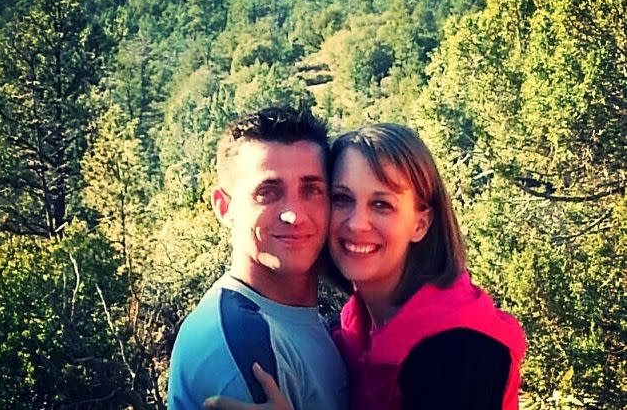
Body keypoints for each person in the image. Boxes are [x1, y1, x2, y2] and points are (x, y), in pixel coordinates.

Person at [206, 122, 526, 410]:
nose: (357, 223)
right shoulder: (355, 330)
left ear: (421, 223)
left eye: (381, 204)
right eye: (342, 199)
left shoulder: (460, 351)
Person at [167, 106, 348, 410]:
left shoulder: (296, 322)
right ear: (224, 208)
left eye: (312, 189)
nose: (294, 214)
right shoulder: (242, 348)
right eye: (268, 192)